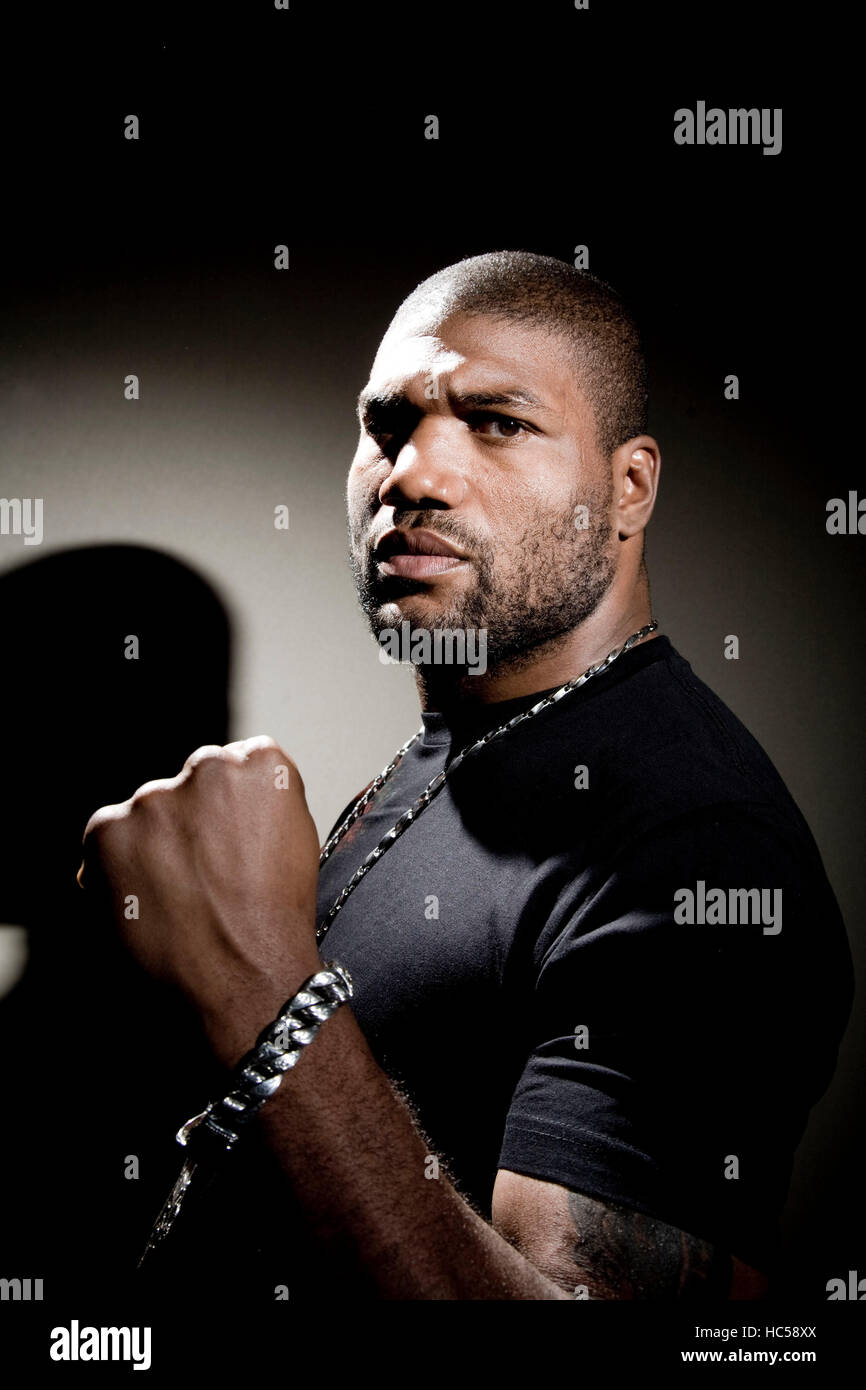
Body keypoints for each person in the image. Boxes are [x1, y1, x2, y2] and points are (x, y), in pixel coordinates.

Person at [80, 252, 853, 1300]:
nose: (411, 475)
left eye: (496, 421)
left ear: (626, 489)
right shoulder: (471, 734)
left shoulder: (691, 844)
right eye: (386, 424)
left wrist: (257, 990)